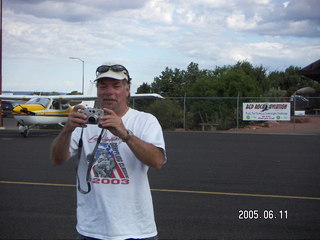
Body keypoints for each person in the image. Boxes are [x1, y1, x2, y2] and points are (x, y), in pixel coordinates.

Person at [51, 62, 166, 240]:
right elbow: (57, 159)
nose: (109, 91)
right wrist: (67, 130)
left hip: (136, 230)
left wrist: (124, 134)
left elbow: (157, 161)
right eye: (102, 86)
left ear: (127, 90)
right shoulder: (83, 123)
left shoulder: (145, 121)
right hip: (91, 229)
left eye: (116, 85)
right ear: (97, 91)